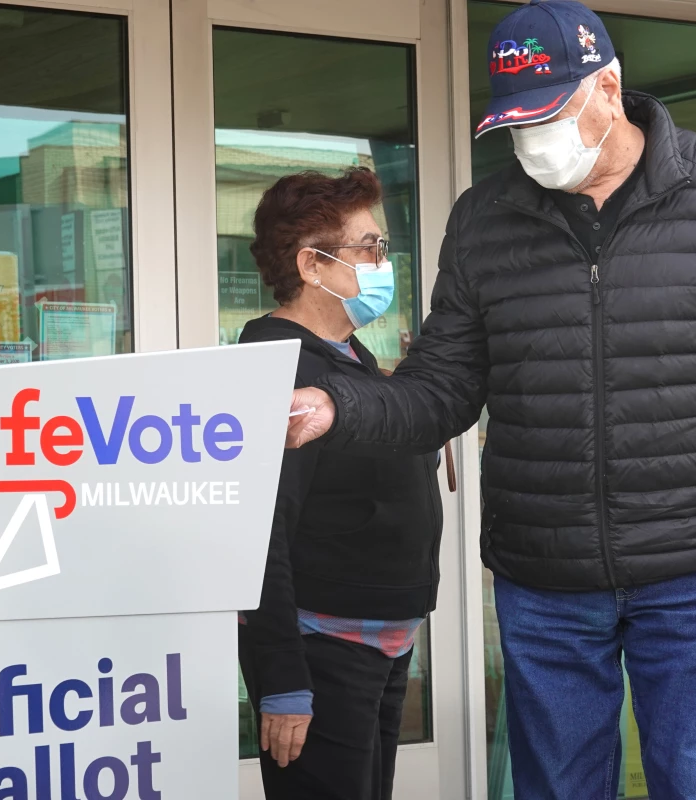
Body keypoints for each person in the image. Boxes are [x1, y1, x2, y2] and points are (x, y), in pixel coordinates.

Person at [286, 2, 696, 798]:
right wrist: (340, 407)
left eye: (547, 116)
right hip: (543, 577)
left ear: (608, 88)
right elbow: (442, 387)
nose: (531, 143)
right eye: (515, 124)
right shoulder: (486, 219)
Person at [237, 167, 443, 800]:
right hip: (322, 652)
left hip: (380, 644)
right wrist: (282, 681)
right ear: (312, 265)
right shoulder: (277, 368)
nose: (383, 262)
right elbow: (257, 538)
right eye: (369, 247)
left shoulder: (354, 360)